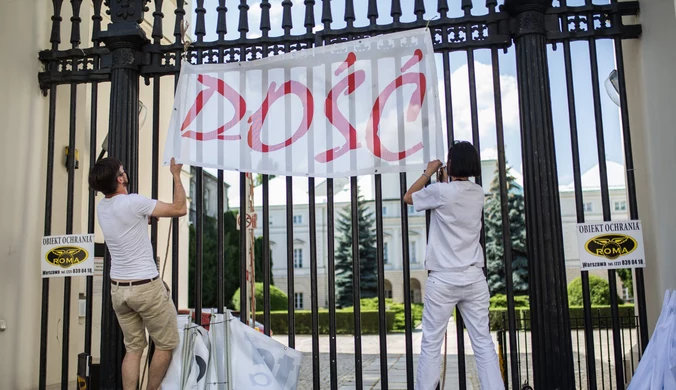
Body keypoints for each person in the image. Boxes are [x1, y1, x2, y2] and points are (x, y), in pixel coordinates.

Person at [404, 141, 503, 390]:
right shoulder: (478, 193)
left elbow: (408, 197)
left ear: (450, 163)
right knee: (482, 343)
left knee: (431, 344)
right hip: (474, 278)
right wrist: (446, 179)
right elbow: (457, 193)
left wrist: (429, 172)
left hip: (443, 279)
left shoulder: (440, 191)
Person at [88, 157, 187, 390]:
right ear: (120, 179)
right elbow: (179, 209)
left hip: (119, 290)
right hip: (146, 288)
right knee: (165, 344)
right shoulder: (134, 202)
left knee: (133, 349)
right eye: (122, 170)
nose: (125, 172)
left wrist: (146, 216)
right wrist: (175, 174)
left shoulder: (103, 207)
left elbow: (128, 221)